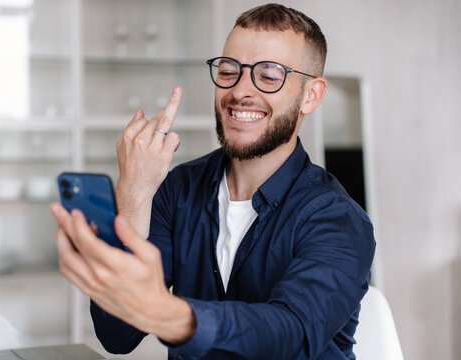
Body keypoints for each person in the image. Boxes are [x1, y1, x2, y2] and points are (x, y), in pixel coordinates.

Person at [51, 3, 375, 360]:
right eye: (229, 70)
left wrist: (167, 313)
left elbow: (290, 332)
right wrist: (134, 193)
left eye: (269, 75)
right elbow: (117, 335)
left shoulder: (339, 220)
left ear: (311, 95)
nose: (239, 91)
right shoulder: (179, 189)